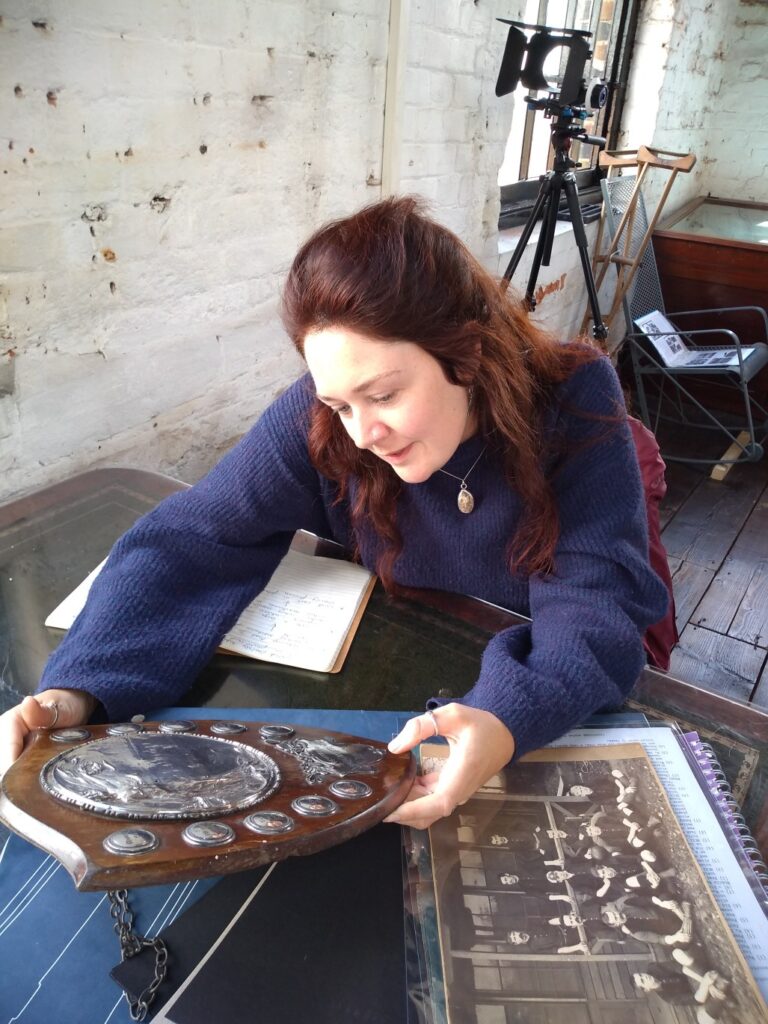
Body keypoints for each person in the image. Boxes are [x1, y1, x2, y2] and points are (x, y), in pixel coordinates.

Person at [0, 196, 669, 828]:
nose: (362, 434)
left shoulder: (574, 399)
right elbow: (193, 535)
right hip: (398, 668)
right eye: (341, 404)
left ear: (467, 352)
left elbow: (594, 608)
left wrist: (506, 719)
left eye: (383, 395)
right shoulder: (320, 419)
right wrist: (80, 691)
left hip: (551, 681)